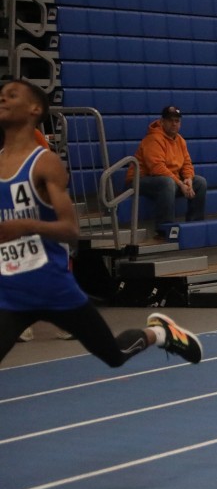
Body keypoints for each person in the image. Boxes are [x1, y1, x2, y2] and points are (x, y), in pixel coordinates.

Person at [0, 79, 202, 367]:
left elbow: (70, 230)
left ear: (34, 108)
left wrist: (26, 226)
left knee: (114, 355)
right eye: (2, 95)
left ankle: (160, 333)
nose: (3, 99)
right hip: (13, 292)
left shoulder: (44, 163)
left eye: (12, 95)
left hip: (53, 289)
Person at [127, 106, 207, 236]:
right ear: (162, 121)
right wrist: (180, 183)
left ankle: (194, 226)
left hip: (168, 180)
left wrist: (188, 179)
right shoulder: (153, 139)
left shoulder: (180, 140)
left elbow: (187, 163)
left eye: (177, 121)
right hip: (139, 181)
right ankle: (165, 230)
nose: (174, 124)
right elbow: (157, 168)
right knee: (167, 183)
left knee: (200, 182)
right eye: (170, 120)